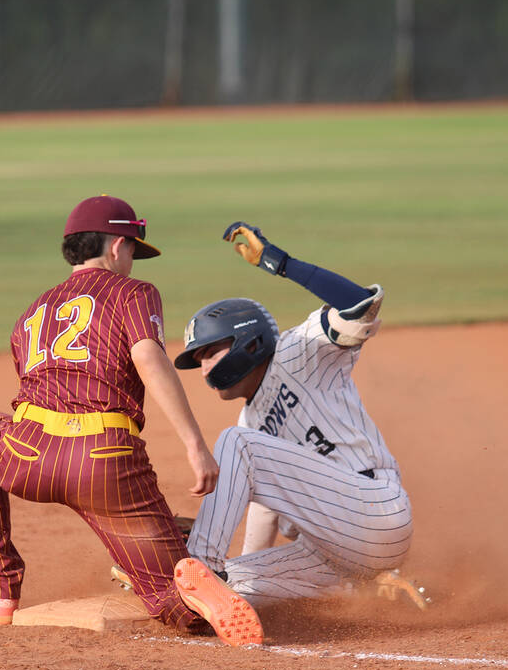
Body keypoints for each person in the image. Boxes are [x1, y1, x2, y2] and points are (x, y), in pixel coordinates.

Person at [0, 196, 262, 647]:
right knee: (166, 599)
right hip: (104, 464)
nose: (133, 260)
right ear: (117, 245)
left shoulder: (32, 312)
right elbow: (148, 357)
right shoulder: (133, 292)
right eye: (133, 249)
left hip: (25, 453)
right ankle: (192, 596)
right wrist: (195, 444)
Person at [172, 221, 413, 607]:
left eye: (208, 353)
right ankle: (373, 590)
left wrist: (279, 262)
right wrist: (243, 570)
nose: (203, 370)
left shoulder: (299, 351)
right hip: (333, 552)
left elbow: (359, 304)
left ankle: (203, 565)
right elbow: (264, 515)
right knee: (234, 581)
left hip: (374, 511)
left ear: (245, 342)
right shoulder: (249, 424)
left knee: (236, 445)